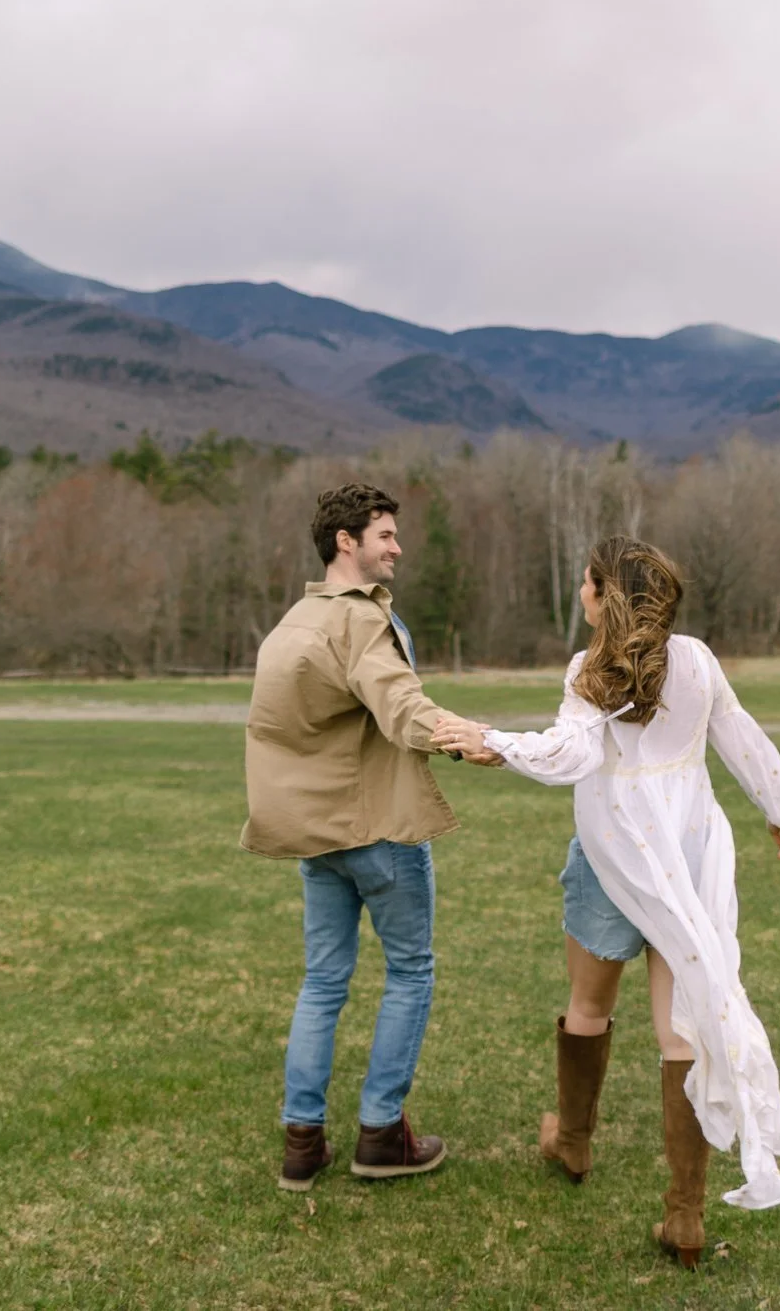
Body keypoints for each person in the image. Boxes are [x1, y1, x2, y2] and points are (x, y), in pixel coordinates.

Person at [437, 536, 780, 1269]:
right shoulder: (696, 659)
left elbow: (572, 755)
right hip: (688, 854)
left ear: (606, 594)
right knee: (680, 1027)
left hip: (615, 857)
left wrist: (492, 742)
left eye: (585, 582)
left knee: (589, 1006)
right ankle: (685, 1216)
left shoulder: (587, 670)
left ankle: (573, 1142)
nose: (579, 593)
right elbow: (738, 733)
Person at [244, 482, 469, 1192]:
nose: (397, 547)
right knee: (411, 971)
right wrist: (462, 738)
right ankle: (381, 1133)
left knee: (322, 981)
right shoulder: (360, 621)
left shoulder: (289, 626)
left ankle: (301, 1143)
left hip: (319, 838)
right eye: (385, 535)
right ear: (347, 540)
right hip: (378, 830)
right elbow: (399, 704)